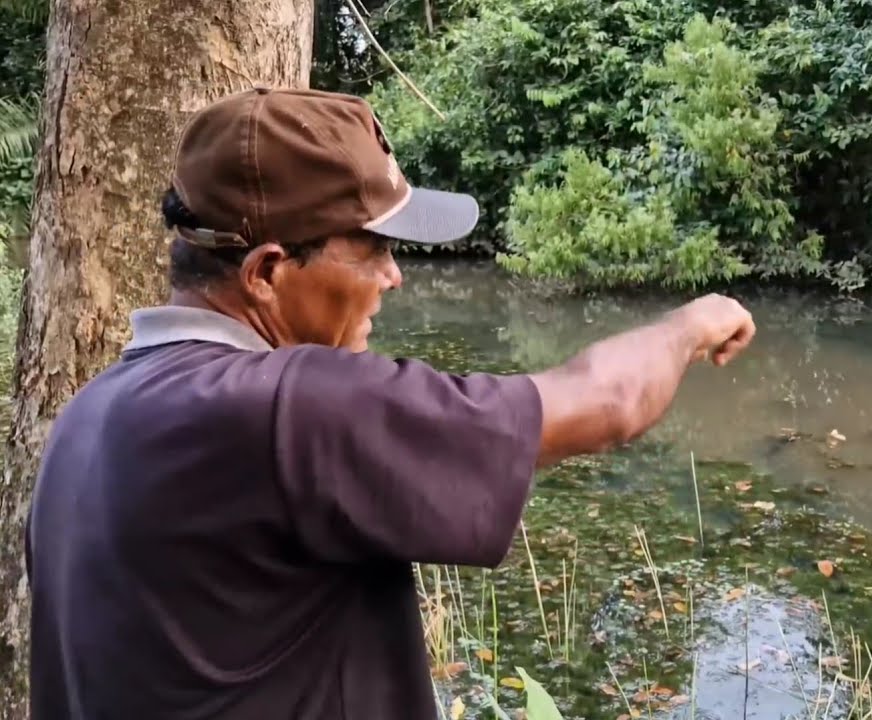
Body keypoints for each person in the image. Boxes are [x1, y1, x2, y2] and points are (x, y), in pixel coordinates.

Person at [24, 86, 756, 720]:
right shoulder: (286, 406)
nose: (394, 276)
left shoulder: (90, 415)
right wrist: (691, 324)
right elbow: (606, 402)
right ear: (267, 273)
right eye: (372, 249)